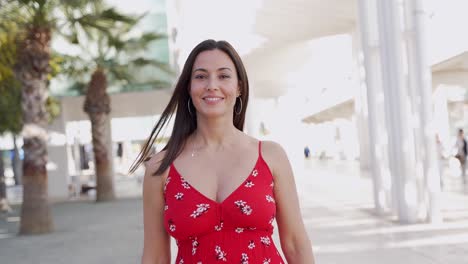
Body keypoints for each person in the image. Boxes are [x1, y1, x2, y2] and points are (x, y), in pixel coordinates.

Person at [129, 39, 314, 263]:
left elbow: (295, 243)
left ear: (239, 87)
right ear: (189, 87)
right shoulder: (161, 168)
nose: (211, 85)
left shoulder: (270, 156)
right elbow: (155, 257)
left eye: (223, 75)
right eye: (200, 76)